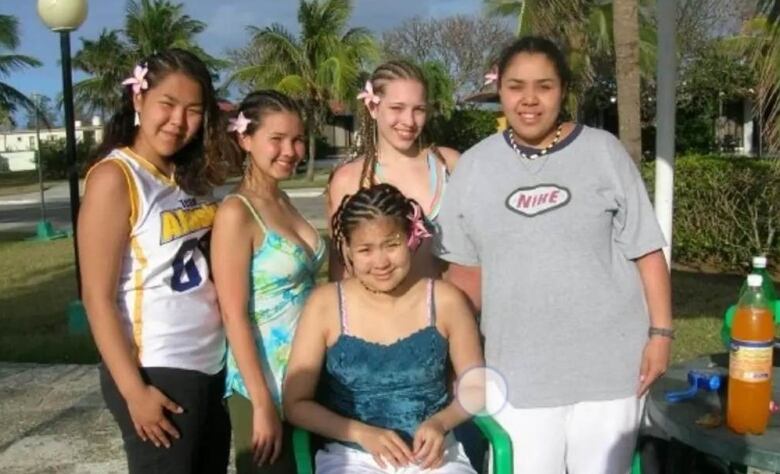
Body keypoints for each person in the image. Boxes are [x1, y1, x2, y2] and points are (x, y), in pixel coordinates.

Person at [434, 36, 674, 474]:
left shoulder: (604, 152)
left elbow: (647, 251)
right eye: (515, 86)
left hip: (610, 371)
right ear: (499, 91)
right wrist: (459, 359)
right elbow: (464, 279)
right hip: (518, 374)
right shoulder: (473, 167)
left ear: (563, 90)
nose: (529, 99)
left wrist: (661, 335)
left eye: (543, 86)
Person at [78, 49, 234, 473]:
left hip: (211, 365)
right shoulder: (116, 177)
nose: (179, 121)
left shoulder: (190, 178)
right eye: (167, 104)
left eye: (194, 110)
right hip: (157, 370)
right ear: (138, 100)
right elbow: (96, 298)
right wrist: (134, 391)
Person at [284, 184, 484, 473]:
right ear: (347, 250)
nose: (381, 262)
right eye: (365, 249)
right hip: (351, 457)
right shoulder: (324, 305)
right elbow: (296, 403)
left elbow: (476, 386)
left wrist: (441, 422)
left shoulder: (445, 300)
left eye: (392, 245)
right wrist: (361, 433)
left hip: (435, 457)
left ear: (410, 239)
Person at [210, 90, 326, 473]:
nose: (290, 150)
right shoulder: (236, 212)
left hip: (308, 376)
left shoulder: (284, 201)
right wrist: (261, 404)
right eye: (276, 139)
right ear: (245, 139)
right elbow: (234, 314)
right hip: (263, 382)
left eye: (297, 139)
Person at [326, 60, 461, 281]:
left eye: (418, 110)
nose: (408, 121)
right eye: (397, 108)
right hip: (382, 313)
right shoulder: (350, 179)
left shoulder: (450, 164)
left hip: (449, 310)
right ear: (373, 107)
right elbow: (342, 272)